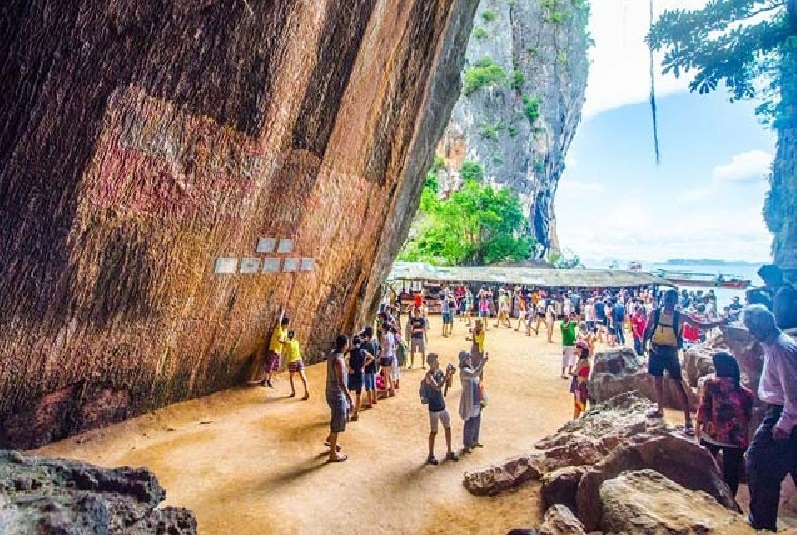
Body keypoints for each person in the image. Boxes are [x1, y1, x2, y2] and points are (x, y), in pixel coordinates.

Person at [743, 305, 797, 531]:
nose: (749, 333)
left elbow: (793, 391)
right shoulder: (777, 344)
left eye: (750, 328)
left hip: (782, 413)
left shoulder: (780, 349)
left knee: (759, 464)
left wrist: (784, 422)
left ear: (759, 326)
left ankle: (762, 522)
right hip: (781, 411)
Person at [643, 289, 723, 435]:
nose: (668, 303)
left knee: (678, 385)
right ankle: (660, 409)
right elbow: (647, 329)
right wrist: (643, 346)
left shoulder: (680, 317)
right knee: (657, 381)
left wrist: (718, 323)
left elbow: (700, 325)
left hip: (670, 353)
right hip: (655, 351)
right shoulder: (655, 313)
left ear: (675, 302)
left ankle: (687, 422)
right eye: (667, 299)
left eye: (671, 300)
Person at [695, 351, 754, 498]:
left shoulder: (710, 384)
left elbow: (704, 409)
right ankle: (730, 501)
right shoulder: (746, 393)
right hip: (736, 438)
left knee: (706, 468)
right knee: (731, 474)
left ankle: (708, 497)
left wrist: (698, 429)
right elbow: (747, 416)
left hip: (713, 433)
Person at [423, 354, 459, 465]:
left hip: (441, 405)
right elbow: (438, 387)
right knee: (434, 432)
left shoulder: (439, 372)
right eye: (436, 362)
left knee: (448, 428)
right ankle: (431, 455)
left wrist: (450, 375)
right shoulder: (428, 376)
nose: (438, 364)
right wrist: (446, 375)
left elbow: (448, 384)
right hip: (434, 408)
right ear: (431, 363)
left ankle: (449, 451)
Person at [325, 335, 352, 462]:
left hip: (330, 392)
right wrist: (349, 396)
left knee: (336, 415)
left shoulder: (332, 354)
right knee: (337, 422)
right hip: (337, 394)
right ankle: (333, 454)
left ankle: (331, 440)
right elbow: (341, 382)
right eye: (347, 343)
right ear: (344, 345)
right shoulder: (338, 361)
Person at [459, 351, 488, 453]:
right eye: (468, 358)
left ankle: (474, 441)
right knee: (470, 423)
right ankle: (467, 445)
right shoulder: (464, 371)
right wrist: (482, 363)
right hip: (470, 401)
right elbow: (475, 374)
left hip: (476, 399)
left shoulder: (469, 369)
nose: (470, 359)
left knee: (476, 421)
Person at [757, 264, 797, 329]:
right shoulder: (785, 287)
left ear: (773, 278)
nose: (765, 282)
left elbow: (780, 319)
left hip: (786, 327)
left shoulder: (783, 292)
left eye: (766, 279)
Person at [262, 317, 290, 388]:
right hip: (273, 349)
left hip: (279, 351)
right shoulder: (279, 328)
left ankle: (269, 380)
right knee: (269, 366)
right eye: (287, 324)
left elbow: (284, 339)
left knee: (274, 366)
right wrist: (281, 315)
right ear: (283, 324)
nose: (287, 326)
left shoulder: (285, 330)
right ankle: (265, 380)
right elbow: (278, 339)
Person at [347, 335, 369, 421]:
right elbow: (371, 358)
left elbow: (345, 360)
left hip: (352, 375)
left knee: (348, 393)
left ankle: (349, 412)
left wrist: (349, 368)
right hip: (359, 374)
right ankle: (356, 413)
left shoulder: (351, 352)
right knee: (358, 395)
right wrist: (363, 366)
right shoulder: (363, 352)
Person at [284, 330, 310, 400]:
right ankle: (306, 390)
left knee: (292, 377)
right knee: (303, 376)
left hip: (292, 361)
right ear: (294, 336)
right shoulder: (297, 342)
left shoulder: (287, 343)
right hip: (299, 360)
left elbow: (281, 341)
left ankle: (293, 392)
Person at [571, 340, 591, 419]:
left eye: (576, 347)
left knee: (578, 406)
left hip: (580, 386)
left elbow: (581, 376)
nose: (575, 349)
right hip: (579, 386)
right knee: (578, 406)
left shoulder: (583, 362)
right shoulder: (582, 361)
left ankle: (575, 421)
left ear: (581, 350)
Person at [362, 327, 380, 409]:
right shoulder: (376, 341)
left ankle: (370, 403)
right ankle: (375, 400)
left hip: (368, 367)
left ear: (366, 335)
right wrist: (377, 358)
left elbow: (365, 356)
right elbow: (381, 349)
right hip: (374, 366)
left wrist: (364, 364)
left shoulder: (367, 344)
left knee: (368, 386)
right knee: (374, 384)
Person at [379, 325, 397, 397]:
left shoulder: (384, 336)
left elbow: (382, 348)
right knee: (388, 374)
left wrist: (379, 357)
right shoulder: (392, 335)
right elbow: (393, 346)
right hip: (390, 356)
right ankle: (392, 390)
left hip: (384, 356)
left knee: (385, 374)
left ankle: (385, 392)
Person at [560, 313, 578, 379]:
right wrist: (570, 320)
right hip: (566, 344)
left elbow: (577, 323)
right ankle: (562, 373)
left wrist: (575, 317)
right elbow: (566, 327)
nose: (567, 318)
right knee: (565, 359)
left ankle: (570, 371)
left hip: (572, 344)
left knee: (572, 358)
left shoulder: (571, 323)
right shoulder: (562, 324)